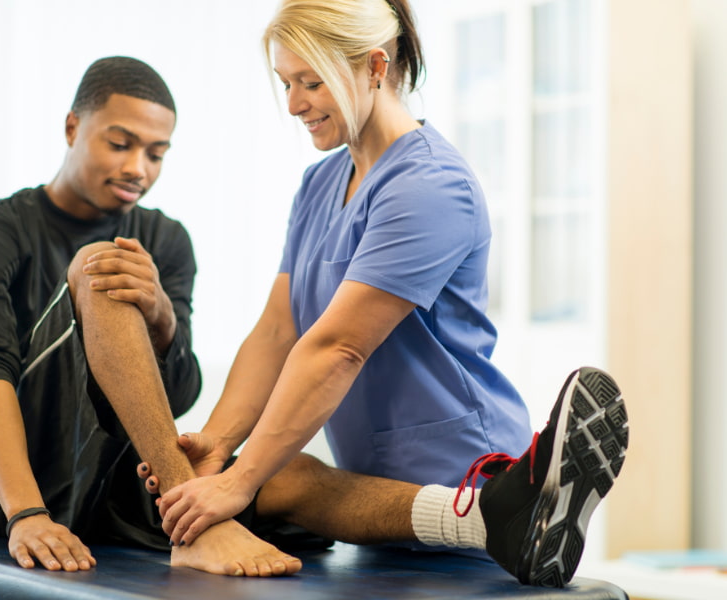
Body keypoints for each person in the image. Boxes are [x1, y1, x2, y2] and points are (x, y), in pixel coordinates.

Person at [141, 0, 629, 588]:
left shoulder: (430, 185)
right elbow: (278, 332)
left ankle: (509, 511)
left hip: (459, 472)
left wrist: (237, 484)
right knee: (281, 478)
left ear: (375, 67)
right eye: (286, 83)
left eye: (311, 81)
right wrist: (216, 450)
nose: (294, 103)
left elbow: (338, 347)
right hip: (371, 503)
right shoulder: (320, 183)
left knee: (267, 480)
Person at [0, 56, 314, 578]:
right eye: (120, 144)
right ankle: (200, 527)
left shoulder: (166, 239)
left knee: (294, 480)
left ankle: (460, 519)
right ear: (73, 126)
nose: (138, 168)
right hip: (16, 483)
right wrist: (25, 515)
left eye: (156, 154)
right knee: (102, 264)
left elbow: (180, 394)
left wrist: (163, 317)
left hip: (123, 478)